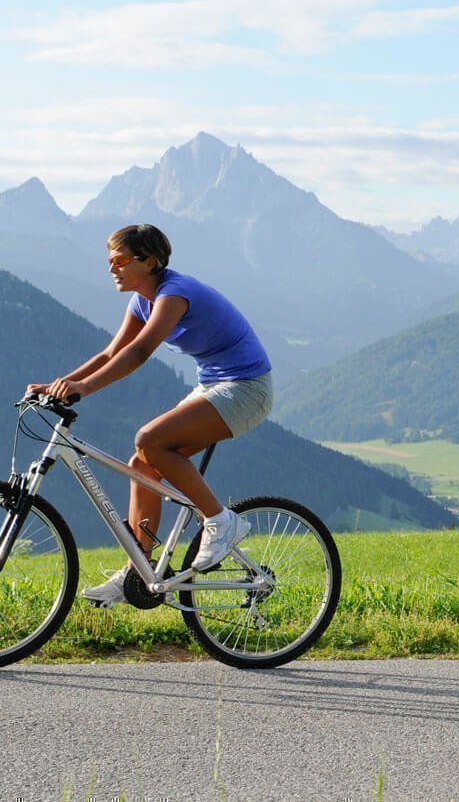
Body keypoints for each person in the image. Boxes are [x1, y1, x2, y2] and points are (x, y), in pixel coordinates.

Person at [29, 224, 276, 607]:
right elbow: (111, 354)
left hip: (246, 388)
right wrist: (59, 383)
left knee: (149, 440)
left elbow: (141, 352)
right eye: (110, 259)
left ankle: (222, 522)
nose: (112, 267)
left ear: (151, 262)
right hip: (215, 387)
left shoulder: (174, 294)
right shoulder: (141, 301)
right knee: (141, 466)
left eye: (121, 259)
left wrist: (86, 389)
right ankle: (137, 570)